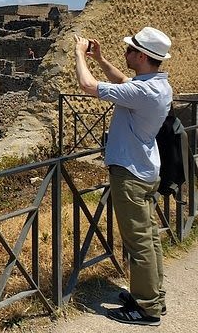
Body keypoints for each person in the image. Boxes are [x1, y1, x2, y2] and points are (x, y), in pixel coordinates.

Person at [73, 26, 172, 326]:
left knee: (139, 243)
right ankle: (153, 296)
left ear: (141, 56)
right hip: (145, 170)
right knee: (150, 239)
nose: (126, 52)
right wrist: (101, 59)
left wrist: (80, 56)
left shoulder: (143, 91)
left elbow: (88, 86)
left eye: (130, 50)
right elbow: (124, 82)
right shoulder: (156, 86)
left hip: (130, 174)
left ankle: (147, 310)